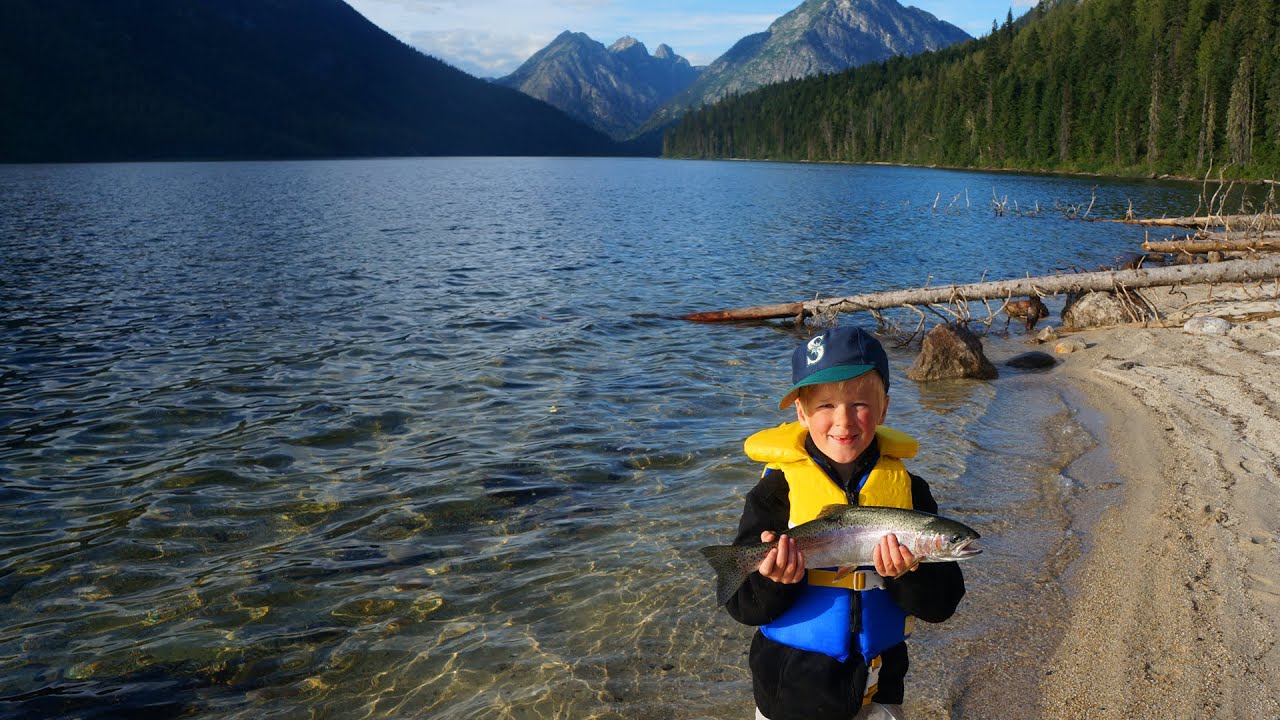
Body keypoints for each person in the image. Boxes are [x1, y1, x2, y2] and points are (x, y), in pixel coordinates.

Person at [720, 326, 966, 720]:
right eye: (825, 406)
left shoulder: (912, 491)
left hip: (880, 690)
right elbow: (744, 608)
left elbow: (942, 605)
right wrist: (773, 579)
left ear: (884, 407)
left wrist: (909, 574)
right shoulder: (774, 494)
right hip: (788, 695)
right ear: (801, 413)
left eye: (859, 404)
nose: (844, 421)